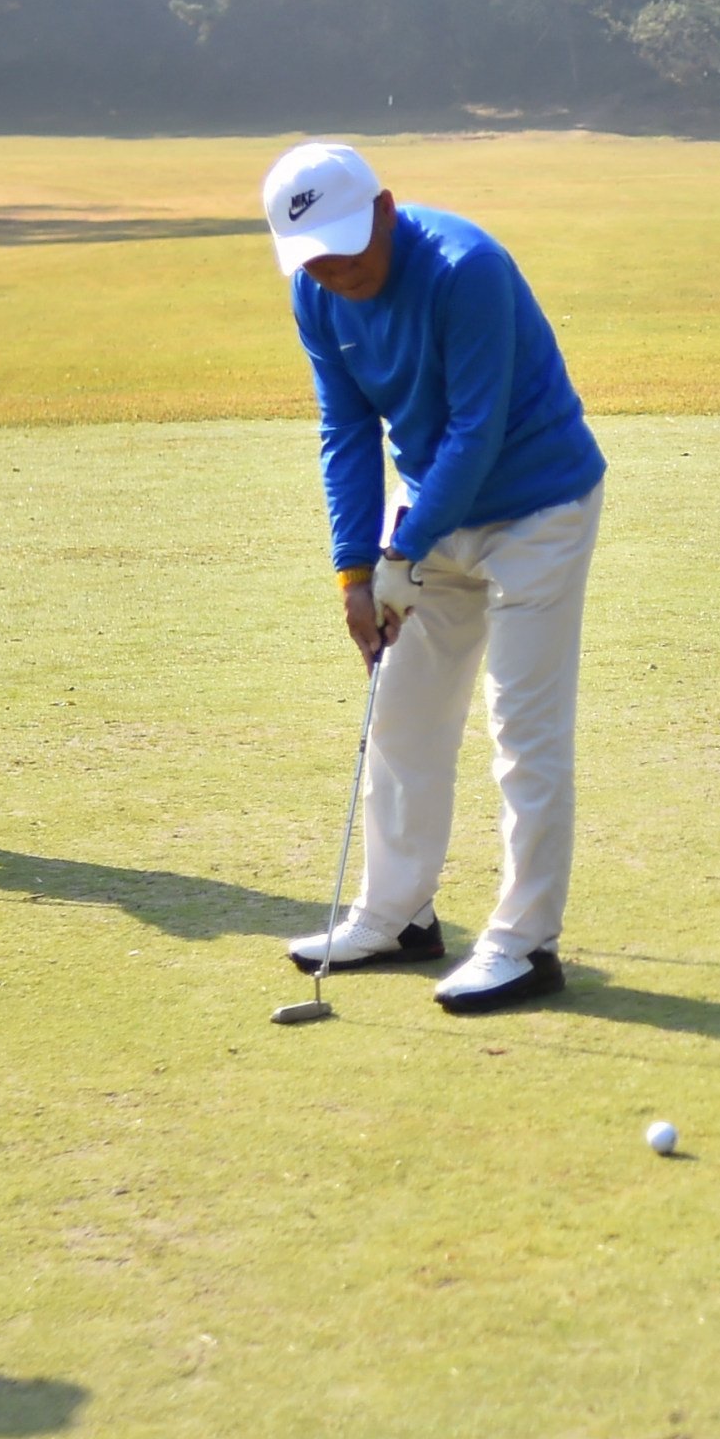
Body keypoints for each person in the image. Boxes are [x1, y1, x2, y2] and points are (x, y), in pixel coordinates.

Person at [261, 141, 608, 1011]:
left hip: (538, 508)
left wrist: (401, 554)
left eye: (347, 247)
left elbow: (475, 428)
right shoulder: (316, 290)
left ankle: (527, 944)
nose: (335, 271)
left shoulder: (468, 268)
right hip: (428, 518)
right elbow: (346, 431)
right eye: (313, 258)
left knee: (522, 729)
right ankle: (397, 914)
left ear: (384, 210)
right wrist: (354, 570)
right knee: (403, 716)